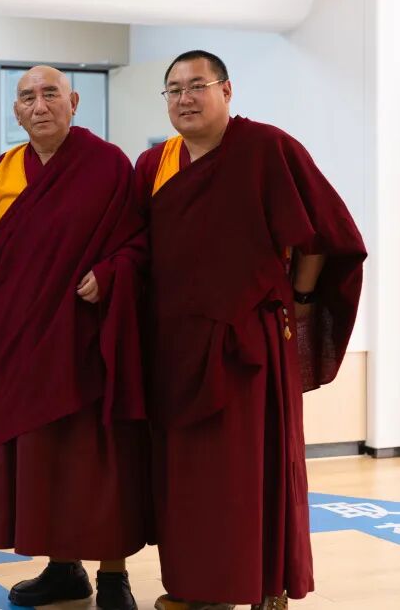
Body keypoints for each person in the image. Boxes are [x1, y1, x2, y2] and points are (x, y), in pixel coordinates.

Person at [135, 51, 366, 610]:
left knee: (250, 465)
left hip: (248, 339)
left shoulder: (267, 147)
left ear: (227, 90)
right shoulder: (155, 164)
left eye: (197, 85)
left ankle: (265, 584)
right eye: (173, 90)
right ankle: (197, 587)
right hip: (174, 344)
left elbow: (320, 232)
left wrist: (302, 298)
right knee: (186, 473)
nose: (185, 98)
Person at [0, 66, 149, 610]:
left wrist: (113, 271)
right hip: (23, 336)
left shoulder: (108, 164)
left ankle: (114, 576)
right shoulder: (5, 171)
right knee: (44, 457)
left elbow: (142, 243)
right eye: (27, 97)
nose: (39, 105)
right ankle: (63, 567)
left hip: (86, 337)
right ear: (16, 110)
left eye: (50, 94)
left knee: (97, 457)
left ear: (73, 103)